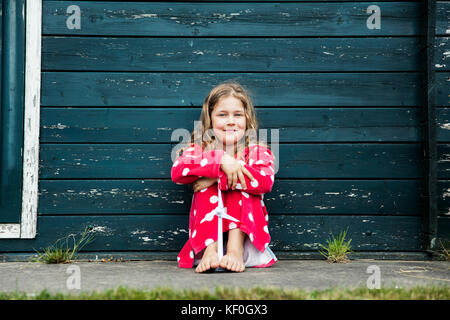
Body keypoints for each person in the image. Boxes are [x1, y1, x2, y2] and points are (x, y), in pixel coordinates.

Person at [171, 81, 278, 273]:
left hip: (247, 235)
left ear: (247, 119)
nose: (230, 121)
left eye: (237, 115)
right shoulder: (199, 149)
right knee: (210, 186)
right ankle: (210, 251)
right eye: (222, 114)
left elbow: (265, 182)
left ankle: (234, 251)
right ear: (210, 119)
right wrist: (220, 161)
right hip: (206, 236)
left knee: (242, 181)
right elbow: (178, 172)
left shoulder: (257, 151)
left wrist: (216, 177)